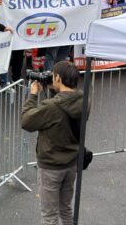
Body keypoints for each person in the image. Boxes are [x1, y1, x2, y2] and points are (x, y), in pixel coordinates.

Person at [21, 61, 84, 225]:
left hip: (51, 167)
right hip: (71, 163)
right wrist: (52, 88)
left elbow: (27, 121)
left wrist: (33, 95)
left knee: (49, 216)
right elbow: (62, 109)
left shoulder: (52, 107)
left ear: (57, 77)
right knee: (65, 209)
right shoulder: (83, 100)